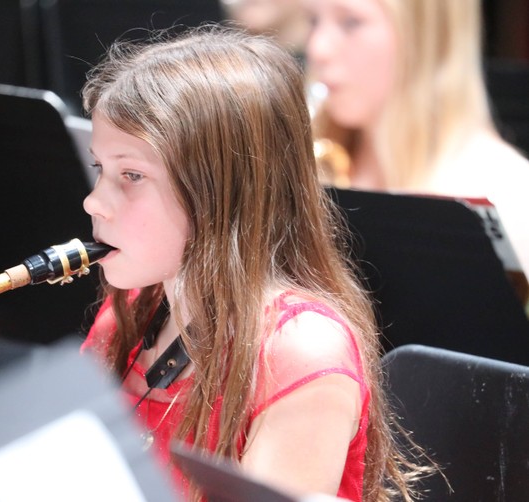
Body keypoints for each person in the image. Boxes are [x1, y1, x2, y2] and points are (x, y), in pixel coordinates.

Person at [79, 25, 427, 501]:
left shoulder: (299, 353)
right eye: (101, 169)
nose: (94, 202)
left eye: (132, 175)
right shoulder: (131, 309)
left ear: (222, 191)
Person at [301, 0, 529, 275]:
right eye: (313, 20)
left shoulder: (509, 195)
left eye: (351, 22)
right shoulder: (312, 164)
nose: (318, 49)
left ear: (428, 35)